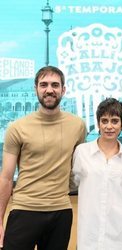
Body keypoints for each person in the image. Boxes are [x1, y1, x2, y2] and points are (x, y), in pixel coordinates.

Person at [0, 66, 86, 250]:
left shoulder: (78, 126)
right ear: (36, 89)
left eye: (55, 85)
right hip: (24, 210)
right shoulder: (17, 128)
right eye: (44, 84)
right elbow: (6, 178)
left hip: (61, 212)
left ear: (63, 90)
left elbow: (78, 168)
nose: (49, 90)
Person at [72, 98, 122, 250]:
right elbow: (75, 182)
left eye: (115, 121)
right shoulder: (82, 152)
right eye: (104, 121)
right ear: (98, 123)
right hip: (90, 234)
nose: (109, 126)